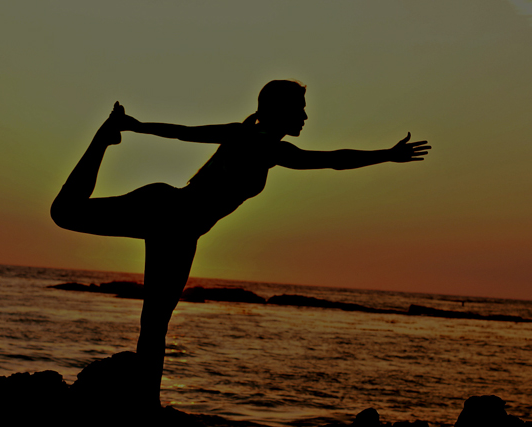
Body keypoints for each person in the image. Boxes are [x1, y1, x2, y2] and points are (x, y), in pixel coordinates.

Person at [50, 80, 430, 411]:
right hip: (168, 210)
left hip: (183, 231)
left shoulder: (256, 140)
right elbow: (331, 160)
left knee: (155, 323)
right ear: (278, 111)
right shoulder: (256, 142)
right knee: (65, 214)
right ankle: (103, 137)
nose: (305, 118)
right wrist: (387, 155)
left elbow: (183, 132)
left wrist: (138, 125)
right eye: (299, 109)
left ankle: (147, 405)